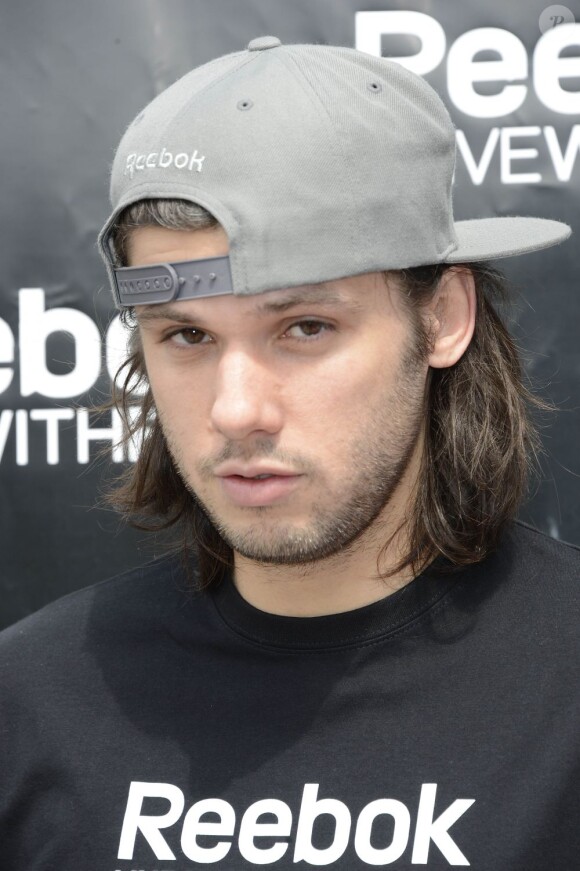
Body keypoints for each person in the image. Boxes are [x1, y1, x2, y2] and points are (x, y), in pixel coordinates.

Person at [0, 35, 578, 870]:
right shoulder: (33, 701)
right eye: (187, 335)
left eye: (304, 327)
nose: (236, 410)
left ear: (444, 317)